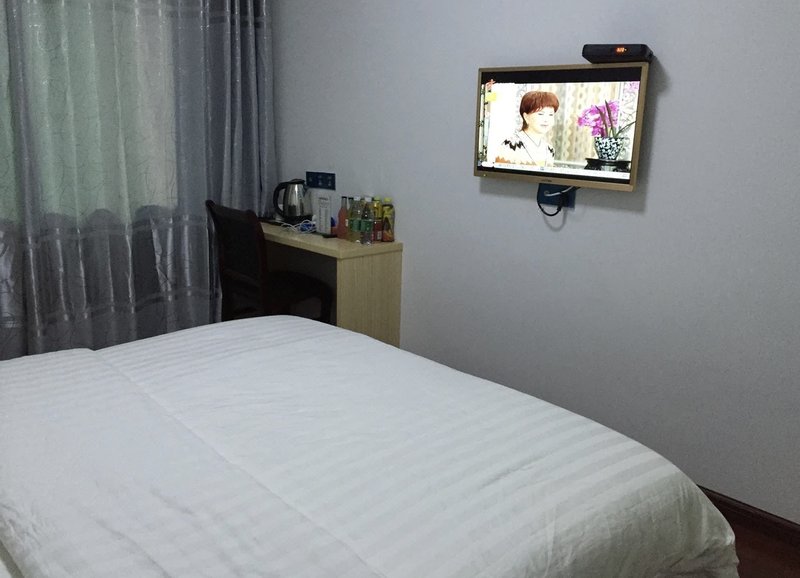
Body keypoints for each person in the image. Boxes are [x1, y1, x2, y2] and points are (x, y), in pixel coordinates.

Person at [495, 91, 559, 167]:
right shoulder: (510, 145)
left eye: (551, 114)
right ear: (526, 117)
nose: (546, 119)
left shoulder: (549, 149)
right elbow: (499, 174)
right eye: (541, 114)